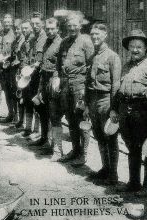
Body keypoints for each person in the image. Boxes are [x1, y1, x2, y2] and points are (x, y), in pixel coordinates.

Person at [111, 29, 147, 192]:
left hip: (142, 111)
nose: (135, 50)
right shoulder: (126, 66)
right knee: (132, 148)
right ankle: (133, 183)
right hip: (125, 111)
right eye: (132, 46)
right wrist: (114, 109)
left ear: (145, 49)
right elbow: (119, 90)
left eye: (139, 47)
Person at [56, 12, 94, 165]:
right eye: (69, 25)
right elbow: (59, 65)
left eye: (75, 25)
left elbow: (92, 66)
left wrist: (87, 90)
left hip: (80, 86)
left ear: (80, 25)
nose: (72, 28)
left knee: (81, 120)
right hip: (66, 85)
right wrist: (56, 78)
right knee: (70, 119)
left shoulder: (86, 41)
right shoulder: (64, 42)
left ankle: (83, 155)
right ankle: (75, 150)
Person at [86, 23, 121, 185]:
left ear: (105, 35)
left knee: (110, 137)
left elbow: (115, 85)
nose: (94, 37)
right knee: (99, 135)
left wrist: (114, 108)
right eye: (92, 34)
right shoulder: (92, 56)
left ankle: (113, 175)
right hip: (93, 100)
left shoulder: (113, 56)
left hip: (106, 100)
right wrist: (86, 104)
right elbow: (88, 82)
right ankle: (105, 168)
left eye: (97, 34)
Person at [33, 17, 63, 158]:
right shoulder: (46, 42)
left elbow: (61, 65)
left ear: (58, 29)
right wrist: (40, 86)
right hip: (44, 79)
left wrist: (56, 81)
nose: (50, 31)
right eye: (48, 29)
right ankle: (46, 141)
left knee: (54, 114)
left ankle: (57, 150)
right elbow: (43, 64)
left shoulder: (61, 44)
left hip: (54, 81)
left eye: (53, 29)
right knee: (43, 111)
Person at [21, 12, 47, 138]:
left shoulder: (46, 38)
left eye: (38, 23)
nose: (35, 26)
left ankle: (37, 131)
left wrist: (36, 65)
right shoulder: (31, 39)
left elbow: (43, 59)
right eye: (33, 23)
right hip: (29, 75)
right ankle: (29, 129)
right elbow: (27, 55)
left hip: (40, 76)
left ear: (43, 23)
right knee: (28, 101)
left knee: (39, 104)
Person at [0, 14, 17, 123]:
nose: (6, 24)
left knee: (13, 92)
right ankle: (10, 114)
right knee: (6, 91)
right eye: (5, 22)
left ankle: (16, 116)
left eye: (8, 22)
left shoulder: (14, 35)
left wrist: (8, 59)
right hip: (3, 67)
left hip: (11, 67)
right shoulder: (1, 34)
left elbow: (15, 52)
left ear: (12, 23)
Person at [10, 18, 25, 127]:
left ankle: (22, 120)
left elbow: (23, 58)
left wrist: (18, 61)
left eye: (18, 29)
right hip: (14, 71)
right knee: (15, 94)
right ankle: (16, 117)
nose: (17, 31)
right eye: (15, 29)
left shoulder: (24, 41)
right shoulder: (15, 41)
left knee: (22, 96)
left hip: (22, 71)